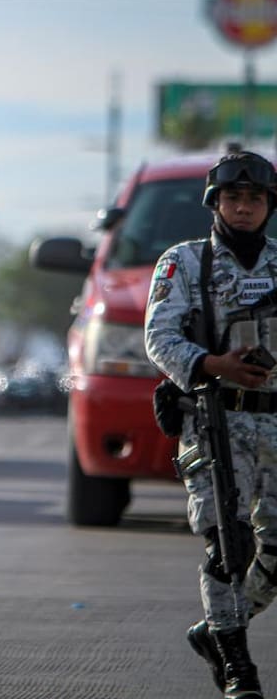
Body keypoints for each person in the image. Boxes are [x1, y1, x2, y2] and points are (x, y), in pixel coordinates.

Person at [145, 149, 277, 699]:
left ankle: (219, 628)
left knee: (274, 556)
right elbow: (160, 337)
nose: (243, 208)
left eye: (254, 199)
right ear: (215, 203)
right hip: (215, 420)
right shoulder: (184, 263)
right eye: (232, 198)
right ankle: (236, 667)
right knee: (230, 545)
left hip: (274, 421)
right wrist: (213, 366)